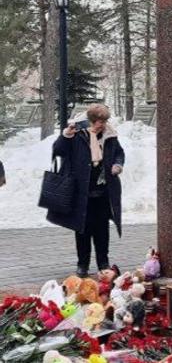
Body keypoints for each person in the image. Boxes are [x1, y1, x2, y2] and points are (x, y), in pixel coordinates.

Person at [49, 104, 125, 277]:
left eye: (105, 121)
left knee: (102, 229)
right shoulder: (77, 134)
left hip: (103, 192)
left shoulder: (110, 135)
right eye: (100, 121)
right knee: (82, 229)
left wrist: (117, 164)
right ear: (91, 120)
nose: (103, 125)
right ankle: (82, 264)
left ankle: (103, 263)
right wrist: (66, 135)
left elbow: (119, 153)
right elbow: (58, 151)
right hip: (81, 191)